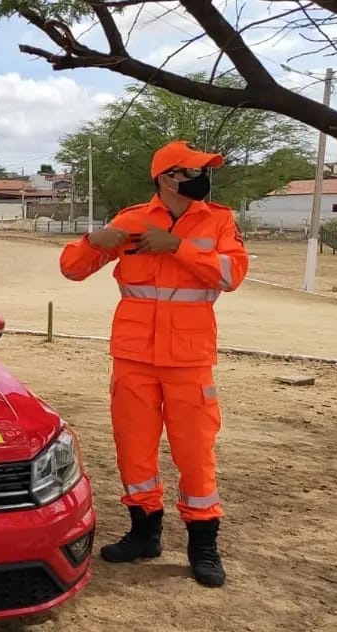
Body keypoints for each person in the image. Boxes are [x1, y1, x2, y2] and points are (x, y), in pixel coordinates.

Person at [59, 139, 249, 588]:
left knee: (195, 454)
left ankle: (203, 544)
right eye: (194, 171)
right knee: (134, 450)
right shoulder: (131, 220)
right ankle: (144, 534)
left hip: (189, 360)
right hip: (134, 359)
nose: (204, 179)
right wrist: (93, 241)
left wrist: (176, 246)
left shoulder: (219, 220)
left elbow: (232, 275)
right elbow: (71, 268)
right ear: (167, 178)